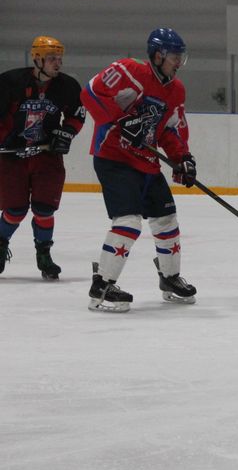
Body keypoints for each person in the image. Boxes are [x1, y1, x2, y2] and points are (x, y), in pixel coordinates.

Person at [80, 28, 198, 312]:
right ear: (158, 56)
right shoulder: (128, 71)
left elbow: (169, 130)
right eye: (174, 57)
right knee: (129, 222)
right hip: (114, 158)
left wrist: (183, 159)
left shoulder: (176, 90)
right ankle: (102, 285)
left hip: (146, 161)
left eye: (181, 57)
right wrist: (121, 119)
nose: (178, 63)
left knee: (166, 219)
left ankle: (169, 278)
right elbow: (89, 94)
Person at [0, 35, 85, 280]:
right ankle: (1, 243)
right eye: (51, 58)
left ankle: (44, 253)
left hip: (46, 155)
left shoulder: (67, 86)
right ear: (37, 59)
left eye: (59, 58)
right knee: (14, 210)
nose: (57, 63)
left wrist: (66, 132)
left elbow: (77, 115)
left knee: (44, 209)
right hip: (11, 156)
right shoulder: (10, 82)